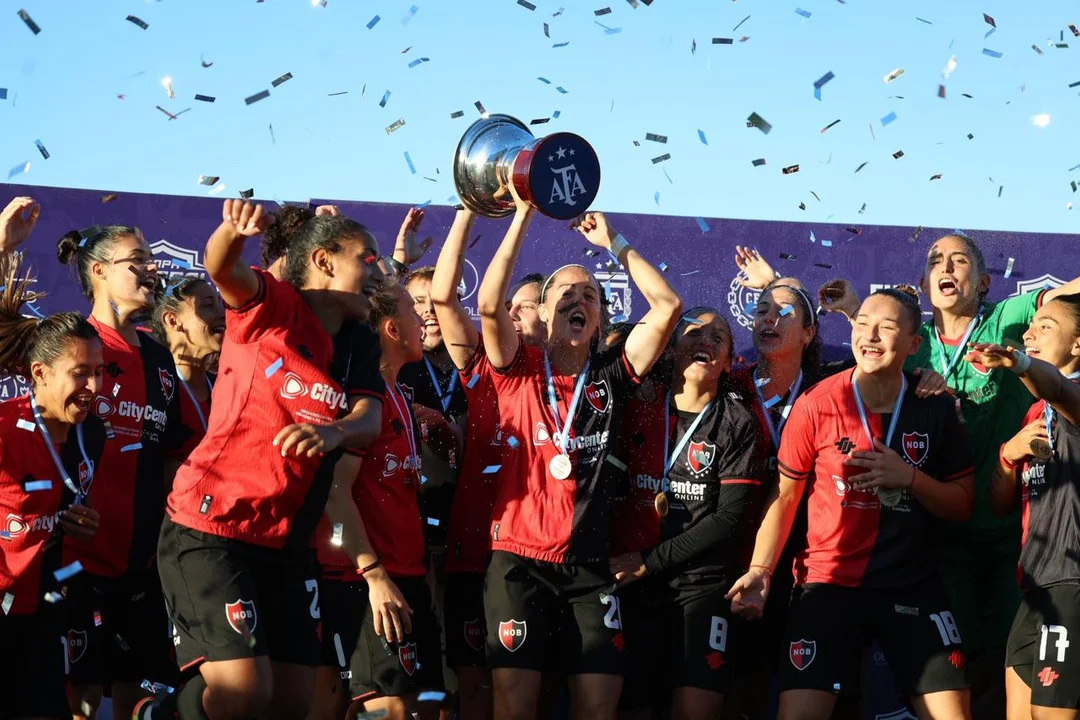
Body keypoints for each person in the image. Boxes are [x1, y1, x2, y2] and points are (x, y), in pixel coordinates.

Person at [154, 199, 385, 720]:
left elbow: (368, 421)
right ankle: (157, 714)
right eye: (367, 258)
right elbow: (220, 266)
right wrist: (232, 231)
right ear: (324, 260)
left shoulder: (358, 343)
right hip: (213, 529)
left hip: (287, 543)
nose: (381, 271)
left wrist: (334, 431)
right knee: (244, 694)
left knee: (291, 702)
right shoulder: (272, 305)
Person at [727, 287, 976, 720]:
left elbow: (962, 506)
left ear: (914, 345)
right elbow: (785, 497)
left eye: (887, 327)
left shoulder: (934, 407)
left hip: (910, 583)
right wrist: (760, 571)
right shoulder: (817, 404)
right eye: (862, 324)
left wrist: (910, 478)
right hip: (829, 583)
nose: (870, 335)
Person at [477, 194, 682, 719]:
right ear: (542, 313)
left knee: (598, 705)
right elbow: (487, 302)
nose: (578, 299)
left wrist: (613, 242)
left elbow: (667, 308)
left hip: (590, 566)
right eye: (565, 292)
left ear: (598, 319)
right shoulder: (517, 367)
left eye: (589, 295)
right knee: (516, 705)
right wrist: (523, 213)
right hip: (519, 561)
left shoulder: (614, 374)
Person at [909, 233, 1080, 714]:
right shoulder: (913, 343)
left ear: (983, 281)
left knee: (1016, 662)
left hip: (1018, 539)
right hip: (944, 533)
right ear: (924, 282)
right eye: (936, 260)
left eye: (959, 260)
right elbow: (867, 338)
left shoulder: (1006, 320)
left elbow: (1067, 295)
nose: (946, 266)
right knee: (956, 665)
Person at [45, 218, 184, 720]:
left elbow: (173, 457)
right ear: (99, 271)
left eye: (150, 258)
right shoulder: (72, 346)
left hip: (143, 566)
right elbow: (37, 438)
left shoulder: (159, 357)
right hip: (75, 563)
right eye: (137, 260)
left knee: (140, 698)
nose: (150, 269)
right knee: (80, 701)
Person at [609, 307, 770, 720]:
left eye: (719, 337)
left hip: (702, 586)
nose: (708, 341)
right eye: (695, 332)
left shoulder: (738, 423)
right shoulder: (637, 410)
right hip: (634, 587)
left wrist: (650, 562)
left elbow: (727, 520)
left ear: (729, 357)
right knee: (631, 709)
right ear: (669, 347)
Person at [430, 208, 549, 720]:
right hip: (474, 545)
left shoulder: (577, 381)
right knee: (476, 691)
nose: (514, 315)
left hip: (544, 552)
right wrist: (467, 212)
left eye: (526, 308)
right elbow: (441, 296)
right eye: (509, 306)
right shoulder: (478, 364)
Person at [317, 282, 445, 720]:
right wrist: (373, 575)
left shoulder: (398, 396)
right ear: (391, 329)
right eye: (414, 311)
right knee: (387, 709)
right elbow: (336, 493)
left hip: (406, 577)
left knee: (423, 708)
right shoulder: (363, 402)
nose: (424, 319)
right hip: (367, 581)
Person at [0, 251, 105, 720]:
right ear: (39, 374)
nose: (93, 386)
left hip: (46, 605)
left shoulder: (92, 432)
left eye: (99, 372)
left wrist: (77, 524)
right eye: (80, 373)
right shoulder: (4, 426)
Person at [965, 295, 1080, 718]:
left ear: (1078, 345)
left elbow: (1059, 386)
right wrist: (1007, 457)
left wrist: (1020, 364)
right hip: (1033, 587)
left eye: (1045, 326)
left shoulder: (1071, 397)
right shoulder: (1035, 410)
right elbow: (1001, 504)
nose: (1029, 333)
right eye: (1030, 327)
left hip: (1072, 583)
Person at [149, 276, 225, 487]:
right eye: (209, 306)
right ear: (173, 321)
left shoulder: (223, 386)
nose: (222, 314)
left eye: (219, 304)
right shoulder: (157, 388)